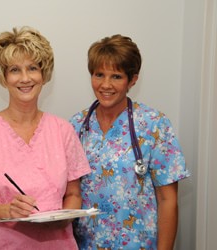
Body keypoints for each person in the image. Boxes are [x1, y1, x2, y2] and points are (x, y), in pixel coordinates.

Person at [0, 26, 91, 249]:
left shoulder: (63, 130)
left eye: (32, 68)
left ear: (44, 74)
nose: (25, 78)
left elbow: (73, 194)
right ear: (3, 77)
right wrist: (5, 210)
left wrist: (65, 217)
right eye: (15, 70)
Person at [70, 34, 190, 250]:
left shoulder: (154, 125)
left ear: (132, 79)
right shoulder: (75, 126)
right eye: (99, 75)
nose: (105, 85)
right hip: (86, 244)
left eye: (116, 76)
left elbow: (167, 201)